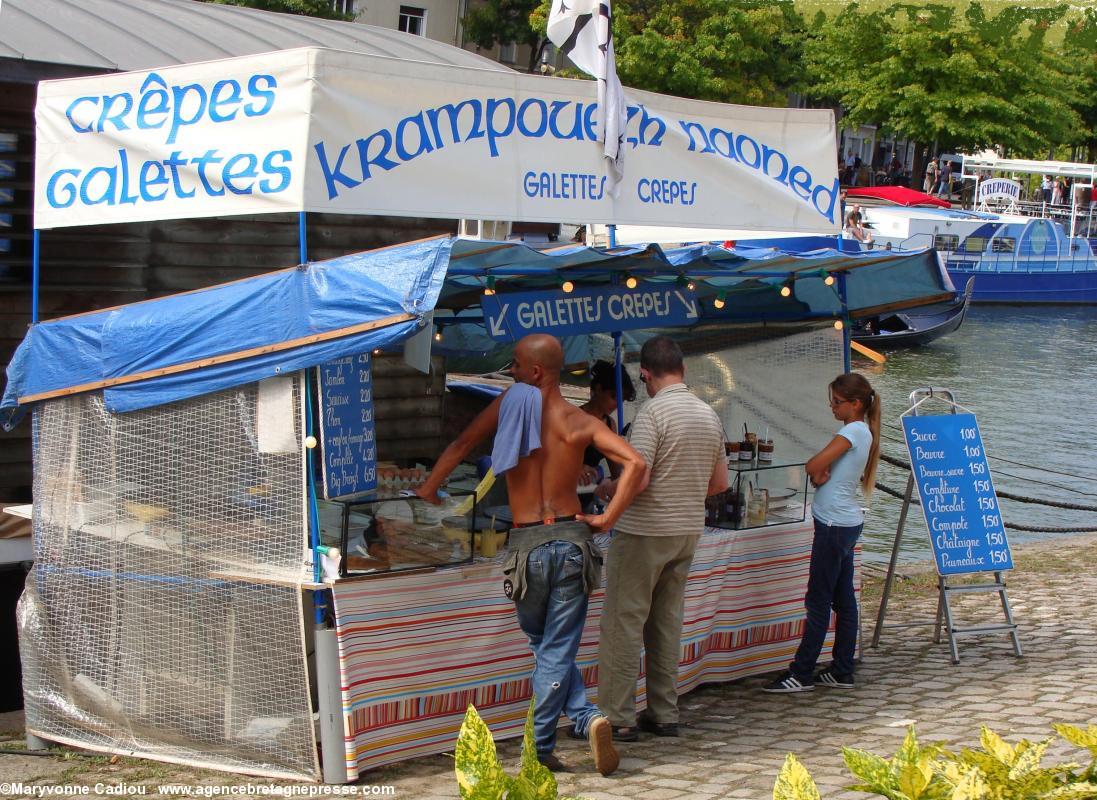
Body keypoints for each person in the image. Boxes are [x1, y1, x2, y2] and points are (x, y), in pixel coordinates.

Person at [415, 334, 647, 775]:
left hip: (526, 547)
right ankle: (585, 716)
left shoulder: (510, 405)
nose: (512, 373)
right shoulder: (579, 421)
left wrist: (427, 489)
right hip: (573, 542)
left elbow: (462, 446)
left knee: (548, 648)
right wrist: (609, 518)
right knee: (553, 648)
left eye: (517, 366)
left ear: (536, 372)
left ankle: (539, 750)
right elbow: (636, 464)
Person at [594, 336, 727, 740]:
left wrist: (608, 491)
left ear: (646, 374)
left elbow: (641, 475)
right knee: (667, 622)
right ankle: (664, 712)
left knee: (624, 621)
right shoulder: (709, 414)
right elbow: (719, 482)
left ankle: (617, 717)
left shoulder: (652, 414)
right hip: (687, 529)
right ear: (683, 369)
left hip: (644, 530)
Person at [763, 373, 881, 694]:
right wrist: (821, 472)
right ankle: (842, 668)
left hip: (832, 525)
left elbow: (813, 463)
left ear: (855, 404)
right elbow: (822, 470)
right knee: (843, 600)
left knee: (818, 601)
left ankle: (801, 672)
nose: (832, 407)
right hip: (844, 521)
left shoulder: (852, 430)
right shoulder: (863, 431)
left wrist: (818, 469)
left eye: (837, 402)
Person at [577, 360, 636, 511]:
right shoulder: (574, 418)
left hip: (589, 496)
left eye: (621, 400)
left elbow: (615, 468)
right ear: (598, 389)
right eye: (614, 397)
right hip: (565, 496)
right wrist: (576, 466)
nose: (617, 405)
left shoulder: (610, 424)